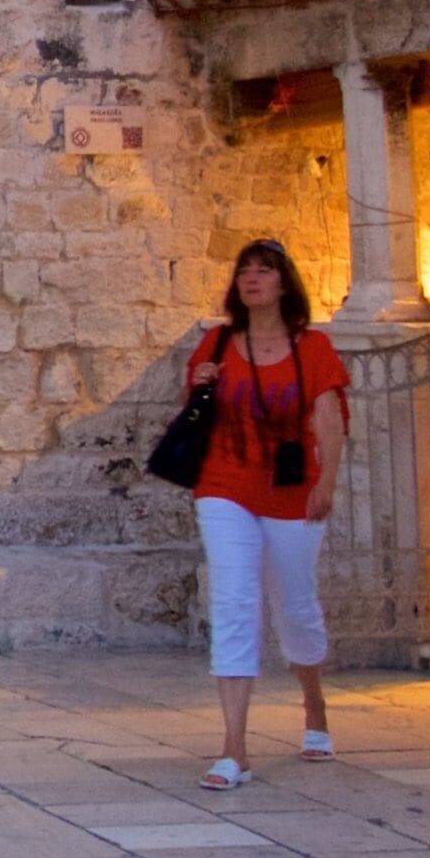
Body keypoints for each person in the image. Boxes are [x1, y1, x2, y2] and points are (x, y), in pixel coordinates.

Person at [182, 238, 344, 790]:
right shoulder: (217, 342)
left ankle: (314, 705)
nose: (252, 280)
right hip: (223, 485)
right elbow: (196, 411)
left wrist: (327, 480)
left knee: (295, 604)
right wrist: (201, 382)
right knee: (233, 598)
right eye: (244, 272)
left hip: (291, 490)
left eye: (264, 272)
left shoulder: (313, 347)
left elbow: (329, 419)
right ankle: (234, 747)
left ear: (283, 284)